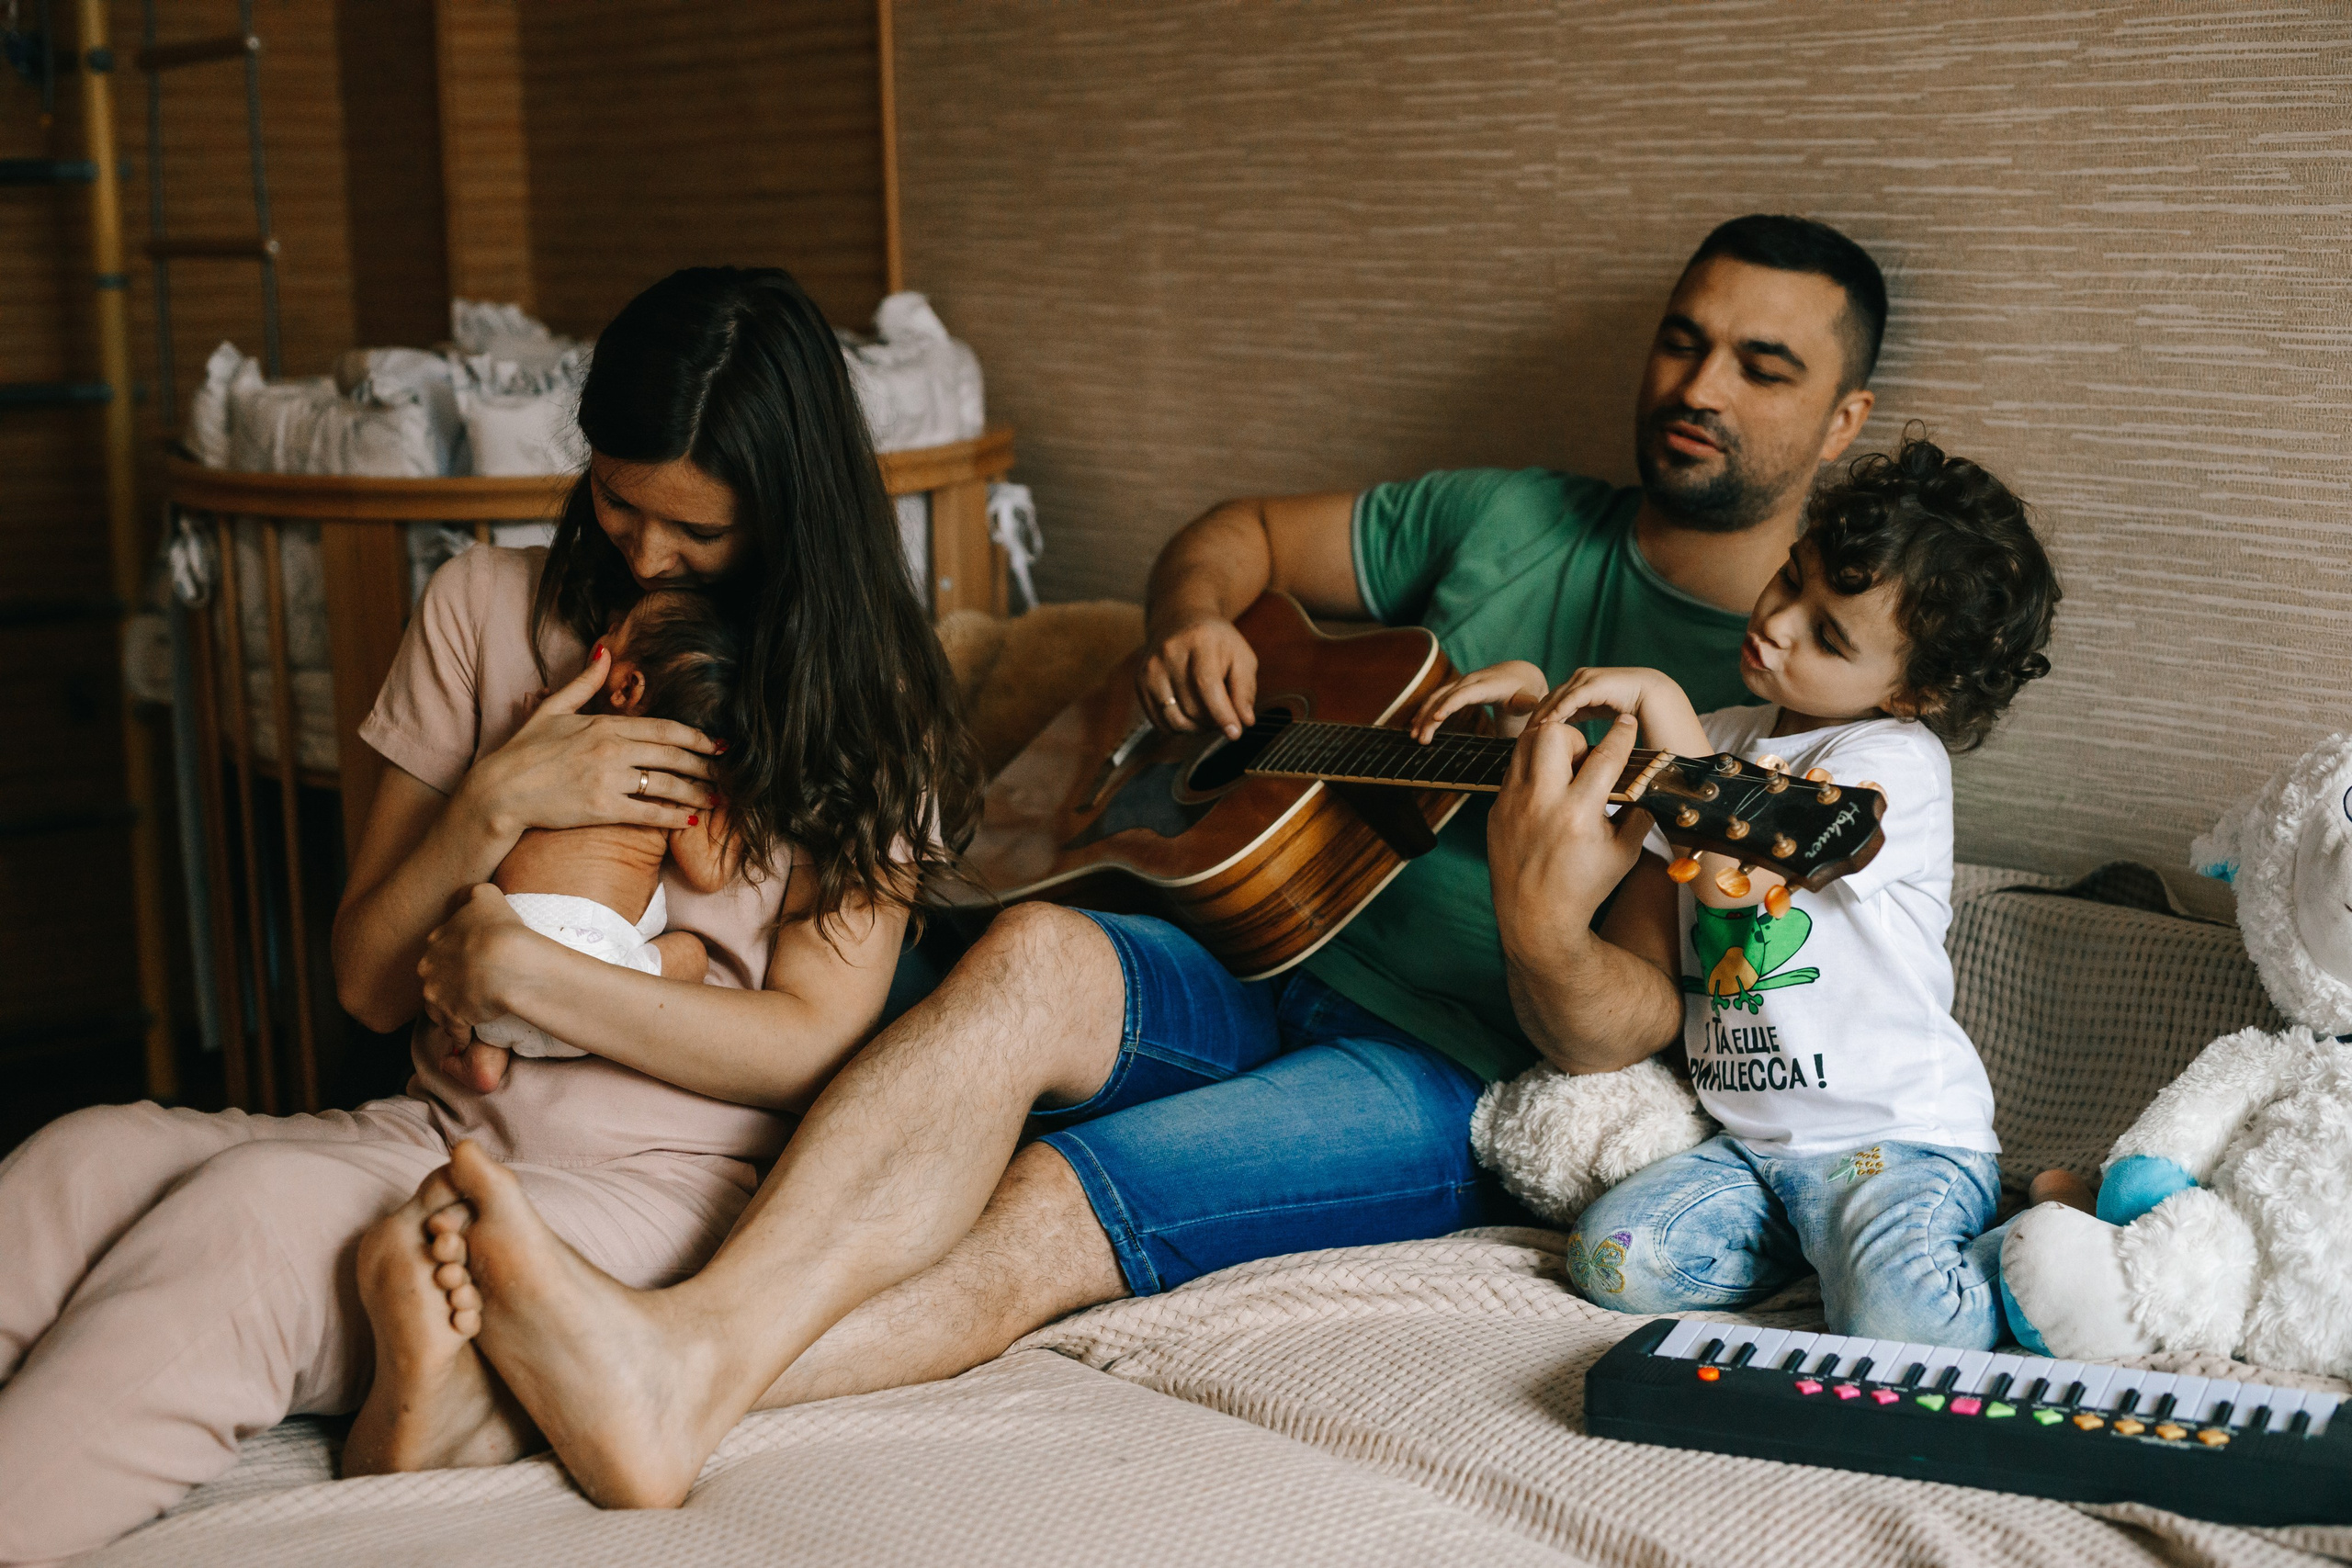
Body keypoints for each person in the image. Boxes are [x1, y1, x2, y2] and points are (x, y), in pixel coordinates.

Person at [355, 213, 1900, 1510]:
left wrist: (1533, 907)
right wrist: (1194, 628)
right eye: (1687, 340)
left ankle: (617, 1383)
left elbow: (1612, 1028)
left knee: (1044, 1201)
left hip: (1428, 1065)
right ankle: (632, 1367)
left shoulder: (1768, 714)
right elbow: (1232, 533)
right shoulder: (1500, 514)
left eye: (1765, 367)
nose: (1701, 384)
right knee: (1023, 957)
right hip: (1224, 944)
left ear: (1842, 423)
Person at [0, 265, 976, 1565]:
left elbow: (811, 1037)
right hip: (437, 1120)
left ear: (791, 515)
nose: (645, 552)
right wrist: (494, 798)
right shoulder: (478, 603)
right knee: (73, 1164)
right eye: (621, 502)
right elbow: (364, 981)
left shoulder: (869, 697)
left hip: (665, 1189)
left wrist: (524, 974)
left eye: (699, 531)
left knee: (249, 1212)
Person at [1420, 434, 2061, 1346]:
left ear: (1913, 690)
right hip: (1753, 1149)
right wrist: (1531, 716)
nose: (1779, 622)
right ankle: (1823, 1254)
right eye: (1790, 579)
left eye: (1829, 635)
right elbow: (1611, 778)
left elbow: (1739, 868)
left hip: (1894, 1143)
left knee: (1907, 1328)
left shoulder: (1892, 764)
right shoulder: (1721, 731)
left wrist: (1669, 714)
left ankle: (2024, 1237)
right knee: (1608, 1260)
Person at [458, 588, 743, 1093]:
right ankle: (493, 1050)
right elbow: (709, 872)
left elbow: (508, 776)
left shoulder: (558, 745)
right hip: (604, 983)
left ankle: (487, 1052)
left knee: (474, 900)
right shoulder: (677, 792)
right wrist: (733, 806)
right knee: (691, 952)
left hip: (499, 967)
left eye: (617, 631)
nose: (604, 629)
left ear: (628, 686)